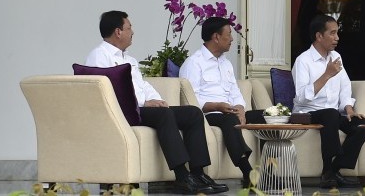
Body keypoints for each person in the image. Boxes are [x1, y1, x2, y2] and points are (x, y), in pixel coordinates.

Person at [85, 10, 228, 195]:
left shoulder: (128, 59)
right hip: (123, 112)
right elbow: (110, 91)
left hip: (140, 108)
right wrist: (145, 103)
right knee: (163, 115)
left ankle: (198, 174)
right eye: (129, 28)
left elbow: (142, 85)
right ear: (118, 32)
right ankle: (182, 176)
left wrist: (158, 100)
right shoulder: (99, 56)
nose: (132, 32)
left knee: (192, 113)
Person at [180, 16, 265, 188]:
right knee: (229, 119)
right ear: (216, 37)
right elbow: (190, 99)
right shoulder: (193, 63)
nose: (232, 39)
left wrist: (241, 108)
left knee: (264, 116)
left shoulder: (226, 64)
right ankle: (248, 173)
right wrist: (217, 106)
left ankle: (269, 171)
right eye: (229, 34)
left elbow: (235, 92)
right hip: (209, 114)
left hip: (230, 111)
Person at [291, 14, 365, 189]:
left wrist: (349, 109)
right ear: (319, 36)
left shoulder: (336, 57)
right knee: (330, 114)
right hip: (307, 113)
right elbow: (301, 97)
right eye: (332, 33)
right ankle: (327, 171)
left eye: (337, 33)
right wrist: (326, 75)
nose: (337, 38)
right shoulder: (303, 61)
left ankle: (335, 170)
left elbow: (345, 87)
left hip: (332, 114)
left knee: (362, 125)